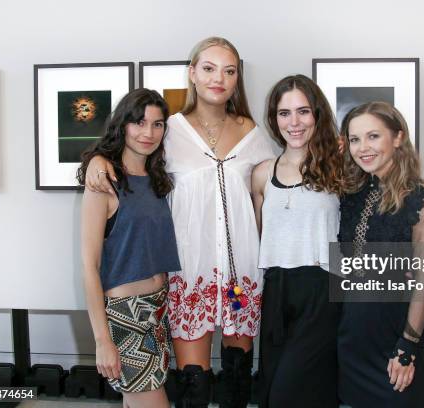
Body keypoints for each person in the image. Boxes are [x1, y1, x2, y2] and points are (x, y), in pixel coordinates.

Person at [84, 37, 275, 408]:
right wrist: (96, 159)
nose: (218, 78)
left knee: (237, 376)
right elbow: (128, 156)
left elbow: (278, 186)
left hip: (242, 277)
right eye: (208, 68)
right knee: (194, 385)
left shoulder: (254, 134)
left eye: (229, 70)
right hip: (190, 272)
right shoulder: (169, 130)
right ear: (192, 73)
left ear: (237, 79)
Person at [78, 88, 180, 408]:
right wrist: (102, 340)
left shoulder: (156, 177)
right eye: (139, 122)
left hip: (158, 310)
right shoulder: (103, 180)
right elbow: (89, 266)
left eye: (157, 124)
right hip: (126, 319)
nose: (148, 132)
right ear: (122, 125)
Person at [337, 101, 424, 408]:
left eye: (373, 136)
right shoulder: (351, 196)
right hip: (351, 341)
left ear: (397, 138)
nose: (363, 148)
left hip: (394, 346)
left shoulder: (420, 203)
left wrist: (407, 347)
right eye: (355, 139)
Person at [251, 74, 344, 408]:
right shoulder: (262, 173)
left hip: (323, 289)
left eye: (303, 111)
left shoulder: (339, 167)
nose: (294, 122)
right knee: (273, 386)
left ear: (317, 115)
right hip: (276, 291)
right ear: (274, 119)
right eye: (284, 113)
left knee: (293, 392)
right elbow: (259, 240)